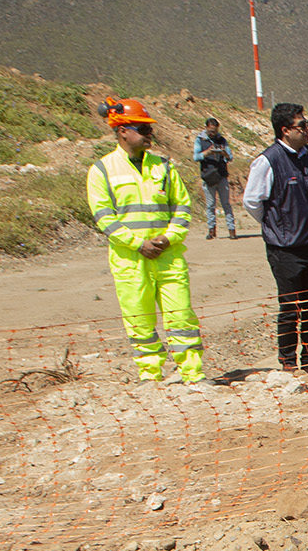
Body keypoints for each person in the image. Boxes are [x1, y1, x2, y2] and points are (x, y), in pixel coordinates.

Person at [88, 97, 202, 382]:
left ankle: (192, 374)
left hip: (168, 256)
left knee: (181, 319)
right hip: (130, 261)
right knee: (139, 322)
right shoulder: (102, 171)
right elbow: (104, 218)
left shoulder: (164, 167)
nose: (150, 134)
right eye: (143, 128)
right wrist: (138, 244)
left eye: (150, 129)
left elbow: (183, 207)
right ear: (123, 131)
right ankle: (150, 377)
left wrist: (168, 237)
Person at [244, 102, 308, 371]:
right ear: (284, 130)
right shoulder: (268, 160)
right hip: (285, 248)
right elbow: (253, 201)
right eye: (301, 125)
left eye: (306, 124)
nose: (306, 129)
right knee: (291, 309)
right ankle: (288, 362)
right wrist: (275, 225)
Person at [192, 117, 235, 240]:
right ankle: (211, 230)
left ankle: (231, 230)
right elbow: (196, 157)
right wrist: (207, 153)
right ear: (206, 128)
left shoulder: (222, 140)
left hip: (221, 175)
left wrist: (224, 154)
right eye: (211, 131)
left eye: (215, 131)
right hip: (208, 176)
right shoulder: (200, 140)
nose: (213, 134)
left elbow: (230, 157)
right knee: (210, 205)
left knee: (226, 204)